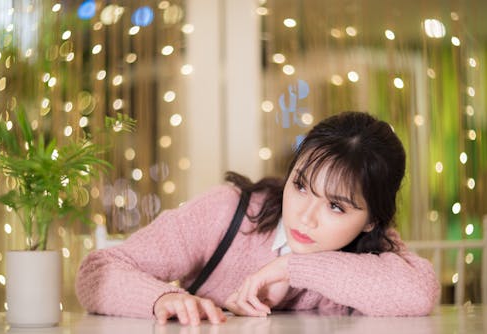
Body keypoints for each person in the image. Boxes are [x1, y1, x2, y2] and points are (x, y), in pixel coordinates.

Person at [75, 111, 440, 325]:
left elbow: (419, 294)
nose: (306, 217)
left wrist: (291, 268)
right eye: (300, 186)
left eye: (336, 206)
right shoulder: (228, 212)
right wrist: (162, 299)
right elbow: (97, 271)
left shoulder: (374, 246)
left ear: (372, 220)